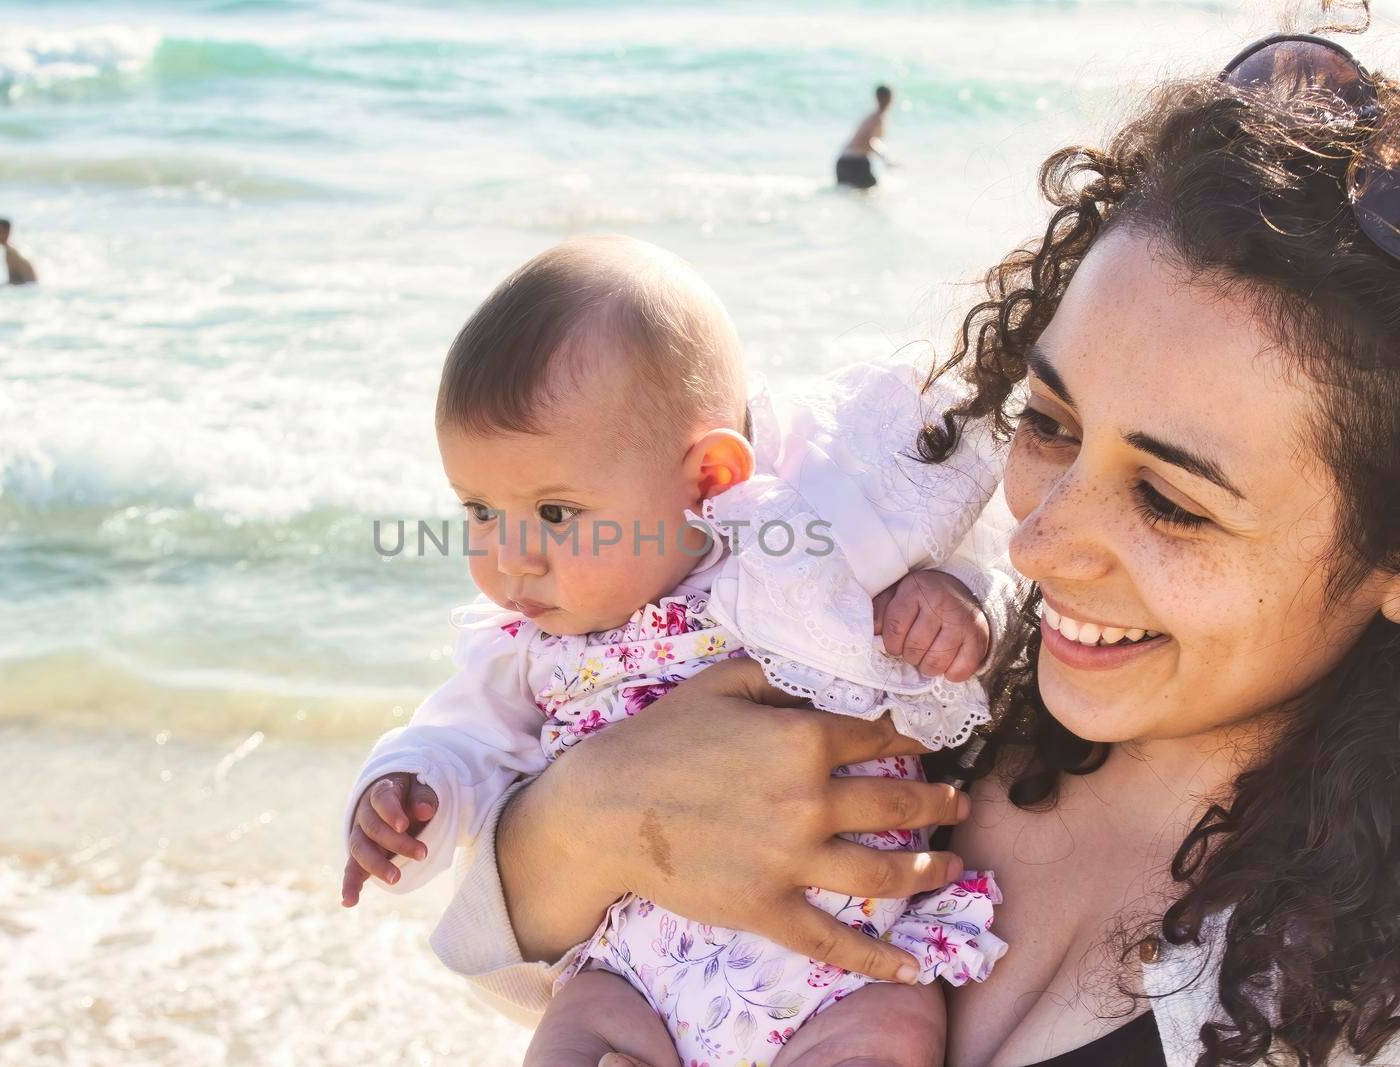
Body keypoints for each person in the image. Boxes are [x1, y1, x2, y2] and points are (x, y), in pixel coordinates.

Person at [425, 28, 1400, 1067]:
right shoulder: (924, 682)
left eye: (1169, 501)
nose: (1036, 544)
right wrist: (585, 814)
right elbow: (521, 956)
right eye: (1050, 422)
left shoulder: (1358, 1003)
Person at [340, 235, 1014, 1066]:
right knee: (571, 1034)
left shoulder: (800, 550)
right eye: (479, 508)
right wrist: (408, 788)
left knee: (892, 1031)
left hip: (844, 967)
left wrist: (952, 602)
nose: (511, 557)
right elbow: (459, 738)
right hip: (632, 974)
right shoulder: (524, 640)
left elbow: (978, 556)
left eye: (554, 513)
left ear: (708, 481)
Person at [836, 85, 892, 190]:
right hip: (855, 162)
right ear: (890, 99)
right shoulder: (878, 119)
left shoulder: (871, 117)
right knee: (872, 194)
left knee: (851, 197)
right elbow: (871, 140)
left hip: (844, 161)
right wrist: (885, 157)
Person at [0, 218, 37, 286]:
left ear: (7, 232)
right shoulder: (12, 250)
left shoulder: (10, 253)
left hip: (28, 286)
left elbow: (14, 282)